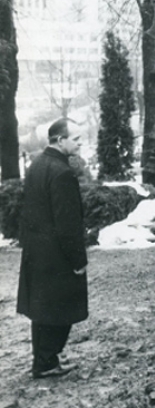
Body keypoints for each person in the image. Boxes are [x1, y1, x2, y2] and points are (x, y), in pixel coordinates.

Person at [17, 118, 87, 379]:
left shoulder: (36, 165)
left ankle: (44, 358)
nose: (80, 143)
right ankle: (47, 361)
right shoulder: (63, 173)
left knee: (43, 309)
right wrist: (78, 259)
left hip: (38, 253)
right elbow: (67, 223)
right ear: (60, 140)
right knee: (62, 308)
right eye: (76, 139)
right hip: (58, 255)